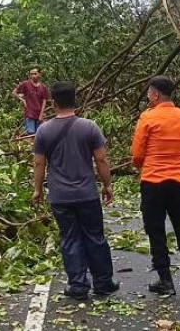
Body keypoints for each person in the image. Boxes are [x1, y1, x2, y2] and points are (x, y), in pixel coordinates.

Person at [33, 81, 118, 301]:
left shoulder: (43, 130)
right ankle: (103, 283)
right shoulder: (89, 127)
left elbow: (39, 164)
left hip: (60, 196)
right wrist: (107, 184)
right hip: (87, 194)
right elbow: (101, 159)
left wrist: (37, 189)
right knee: (95, 237)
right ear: (74, 99)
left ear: (53, 102)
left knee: (70, 238)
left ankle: (78, 285)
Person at [131, 76, 180, 295]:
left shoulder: (147, 118)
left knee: (156, 231)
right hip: (178, 182)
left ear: (155, 95)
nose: (147, 96)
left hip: (153, 182)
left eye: (148, 93)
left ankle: (166, 281)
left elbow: (137, 155)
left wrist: (144, 164)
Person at [13, 67, 49, 135]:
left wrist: (41, 114)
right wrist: (23, 100)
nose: (33, 76)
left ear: (40, 74)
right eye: (31, 74)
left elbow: (44, 101)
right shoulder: (26, 84)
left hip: (39, 113)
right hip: (30, 113)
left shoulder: (43, 87)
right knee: (31, 133)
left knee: (39, 133)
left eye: (35, 74)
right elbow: (14, 92)